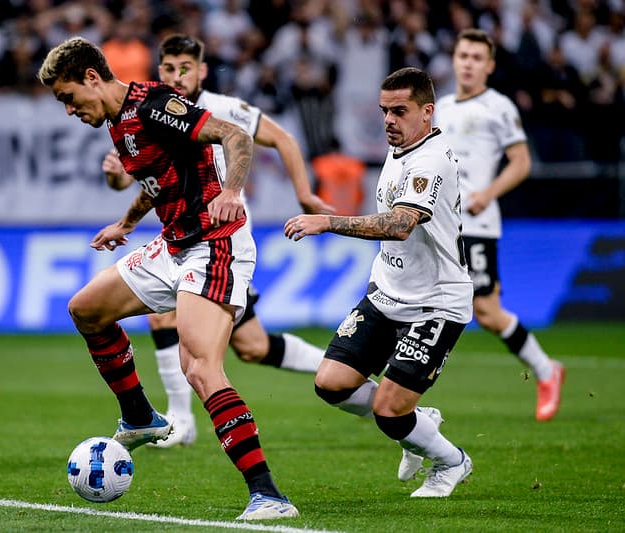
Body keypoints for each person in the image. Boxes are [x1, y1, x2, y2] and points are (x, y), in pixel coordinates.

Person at [37, 36, 298, 520]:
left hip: (216, 242)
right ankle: (139, 417)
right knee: (86, 309)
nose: (69, 110)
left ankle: (268, 495)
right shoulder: (119, 123)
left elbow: (235, 136)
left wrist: (232, 192)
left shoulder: (155, 105)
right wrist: (128, 223)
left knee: (199, 367)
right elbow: (159, 181)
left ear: (92, 77)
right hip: (175, 243)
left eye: (69, 98)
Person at [101, 34, 335, 448]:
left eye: (185, 68)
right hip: (189, 237)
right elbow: (146, 178)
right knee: (253, 346)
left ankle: (179, 419)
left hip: (223, 240)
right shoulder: (155, 112)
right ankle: (351, 372)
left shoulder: (222, 110)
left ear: (202, 70)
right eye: (169, 68)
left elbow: (282, 138)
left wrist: (305, 194)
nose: (177, 76)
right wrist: (118, 186)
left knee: (167, 320)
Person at [284, 67, 474, 498]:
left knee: (389, 412)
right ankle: (419, 422)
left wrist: (328, 222)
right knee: (330, 383)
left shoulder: (431, 160)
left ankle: (451, 462)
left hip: (435, 302)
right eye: (384, 111)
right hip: (387, 292)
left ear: (427, 112)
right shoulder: (402, 145)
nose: (389, 120)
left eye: (399, 111)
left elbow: (401, 224)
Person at [435, 28, 565, 421]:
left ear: (489, 66)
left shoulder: (500, 107)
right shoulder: (440, 107)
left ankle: (546, 370)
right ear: (454, 60)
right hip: (439, 223)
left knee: (488, 313)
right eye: (463, 56)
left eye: (477, 58)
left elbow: (522, 162)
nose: (469, 63)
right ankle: (396, 399)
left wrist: (487, 193)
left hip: (476, 223)